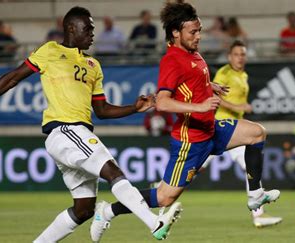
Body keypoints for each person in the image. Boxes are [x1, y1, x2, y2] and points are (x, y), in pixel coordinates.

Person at [0, 6, 182, 242]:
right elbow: (11, 78)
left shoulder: (93, 65)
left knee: (84, 209)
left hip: (75, 136)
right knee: (113, 172)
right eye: (88, 28)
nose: (92, 33)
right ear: (71, 28)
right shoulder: (50, 51)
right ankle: (154, 222)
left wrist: (134, 107)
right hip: (65, 130)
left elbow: (101, 110)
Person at [91, 2, 280, 241]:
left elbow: (189, 80)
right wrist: (200, 106)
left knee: (257, 133)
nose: (199, 36)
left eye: (199, 30)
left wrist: (210, 86)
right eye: (194, 31)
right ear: (175, 33)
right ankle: (107, 211)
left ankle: (255, 195)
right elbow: (162, 102)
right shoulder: (171, 60)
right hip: (190, 141)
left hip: (210, 130)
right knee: (163, 198)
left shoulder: (192, 52)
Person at [200, 40, 282, 228]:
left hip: (236, 131)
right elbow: (213, 96)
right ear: (230, 57)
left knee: (250, 168)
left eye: (243, 54)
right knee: (195, 166)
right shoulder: (224, 72)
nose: (240, 57)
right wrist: (238, 107)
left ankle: (258, 215)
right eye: (237, 54)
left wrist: (241, 110)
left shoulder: (243, 75)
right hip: (220, 127)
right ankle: (162, 187)